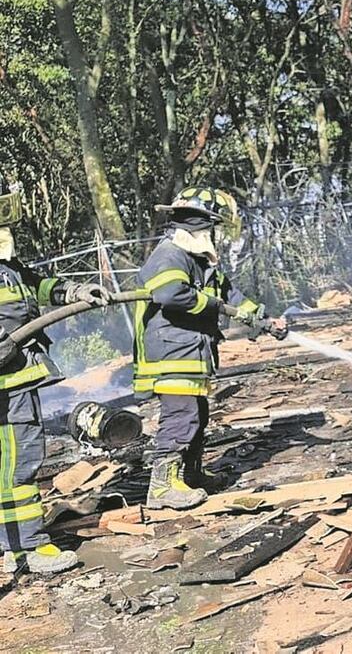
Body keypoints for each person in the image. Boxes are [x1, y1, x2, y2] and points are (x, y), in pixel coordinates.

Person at [134, 186, 286, 510]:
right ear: (198, 224)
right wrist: (213, 305)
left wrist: (264, 320)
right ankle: (162, 488)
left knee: (197, 417)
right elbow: (170, 295)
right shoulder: (170, 253)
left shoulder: (200, 260)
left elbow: (232, 298)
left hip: (191, 352)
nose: (213, 234)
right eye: (211, 226)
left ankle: (190, 475)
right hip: (171, 353)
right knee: (180, 417)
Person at [0, 187, 112, 573]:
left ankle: (19, 544)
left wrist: (76, 290)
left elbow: (38, 285)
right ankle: (26, 547)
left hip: (18, 381)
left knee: (20, 461)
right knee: (18, 466)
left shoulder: (8, 267)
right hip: (5, 388)